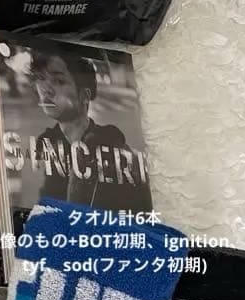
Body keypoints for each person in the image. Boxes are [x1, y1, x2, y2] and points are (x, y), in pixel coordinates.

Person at [29, 51, 154, 216]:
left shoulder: (112, 149)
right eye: (40, 78)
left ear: (84, 96)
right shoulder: (45, 147)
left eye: (59, 81)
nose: (46, 89)